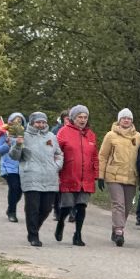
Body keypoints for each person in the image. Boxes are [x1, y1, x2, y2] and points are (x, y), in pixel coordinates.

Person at [9, 112, 64, 247]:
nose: (41, 125)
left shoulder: (51, 136)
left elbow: (59, 153)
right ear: (32, 123)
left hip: (49, 177)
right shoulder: (24, 135)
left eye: (43, 122)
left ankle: (34, 228)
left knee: (46, 208)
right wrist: (17, 144)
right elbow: (14, 156)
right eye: (38, 122)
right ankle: (33, 235)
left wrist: (56, 166)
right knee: (32, 208)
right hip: (31, 176)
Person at [98, 108, 140, 246]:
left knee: (128, 206)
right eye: (123, 118)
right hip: (114, 175)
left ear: (132, 120)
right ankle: (119, 231)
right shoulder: (111, 135)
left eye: (129, 118)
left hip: (131, 176)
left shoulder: (138, 137)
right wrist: (100, 175)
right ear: (119, 120)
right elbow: (103, 156)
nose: (126, 120)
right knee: (119, 204)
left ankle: (116, 227)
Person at [55, 104, 99, 245]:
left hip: (86, 176)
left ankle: (78, 234)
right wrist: (56, 169)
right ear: (73, 118)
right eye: (80, 117)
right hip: (69, 175)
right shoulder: (63, 132)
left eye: (85, 117)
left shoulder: (91, 134)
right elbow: (56, 153)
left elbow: (94, 156)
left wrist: (97, 173)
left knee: (81, 205)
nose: (83, 120)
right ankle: (61, 222)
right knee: (67, 205)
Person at [0, 112, 25, 222]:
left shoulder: (24, 135)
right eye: (15, 120)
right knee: (14, 188)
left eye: (20, 121)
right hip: (8, 167)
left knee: (20, 190)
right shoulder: (4, 135)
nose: (17, 122)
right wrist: (7, 144)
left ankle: (10, 208)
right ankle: (12, 212)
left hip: (21, 167)